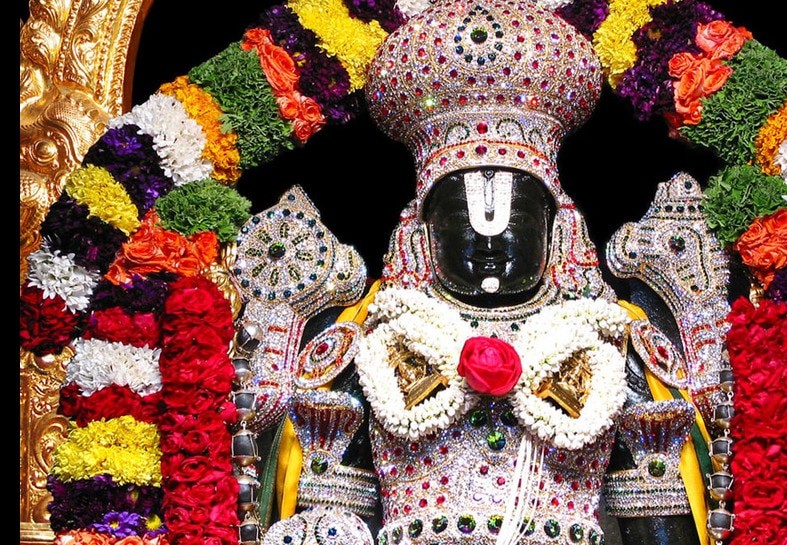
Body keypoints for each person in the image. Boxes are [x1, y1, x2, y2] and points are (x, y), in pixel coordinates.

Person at [233, 1, 734, 543]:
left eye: (516, 219)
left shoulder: (608, 344)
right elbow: (326, 522)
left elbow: (658, 524)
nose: (489, 242)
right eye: (460, 221)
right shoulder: (372, 344)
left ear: (557, 228)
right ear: (421, 232)